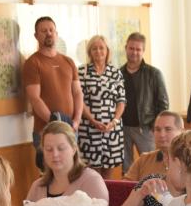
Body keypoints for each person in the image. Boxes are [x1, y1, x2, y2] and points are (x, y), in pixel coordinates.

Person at [22, 17, 84, 169]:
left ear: (56, 34)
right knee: (49, 177)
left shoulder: (68, 61)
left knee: (71, 174)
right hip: (45, 132)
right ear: (36, 36)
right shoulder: (32, 63)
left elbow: (77, 93)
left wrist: (76, 121)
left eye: (51, 30)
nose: (48, 33)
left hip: (70, 130)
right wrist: (55, 122)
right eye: (44, 31)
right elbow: (35, 98)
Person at [77, 35, 126, 175]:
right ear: (89, 52)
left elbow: (121, 100)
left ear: (107, 50)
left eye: (101, 48)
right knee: (92, 174)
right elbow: (80, 100)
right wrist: (93, 121)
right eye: (94, 48)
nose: (98, 51)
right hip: (89, 129)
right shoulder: (82, 72)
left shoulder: (115, 72)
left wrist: (114, 121)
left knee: (108, 173)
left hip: (112, 129)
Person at [120, 32, 169, 173]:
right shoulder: (118, 73)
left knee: (152, 165)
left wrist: (156, 126)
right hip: (122, 129)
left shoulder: (154, 73)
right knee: (127, 170)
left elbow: (163, 103)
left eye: (138, 49)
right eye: (131, 48)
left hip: (146, 128)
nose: (134, 52)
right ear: (126, 48)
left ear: (143, 51)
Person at [125, 111, 183, 182]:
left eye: (168, 129)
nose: (162, 135)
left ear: (181, 132)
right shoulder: (143, 160)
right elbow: (125, 186)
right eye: (158, 130)